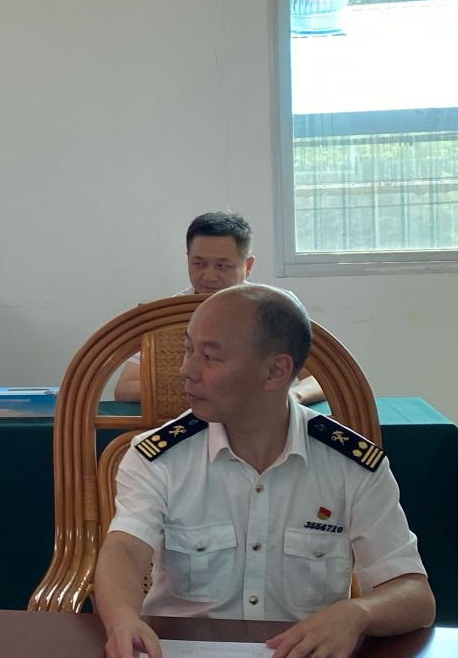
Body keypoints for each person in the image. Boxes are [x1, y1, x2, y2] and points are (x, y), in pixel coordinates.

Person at [95, 285, 433, 658]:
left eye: (209, 357)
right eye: (188, 349)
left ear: (275, 371)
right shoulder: (158, 457)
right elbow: (124, 551)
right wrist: (123, 620)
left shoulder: (350, 465)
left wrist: (358, 613)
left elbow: (415, 594)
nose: (186, 370)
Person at [113, 212, 324, 405]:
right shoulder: (166, 315)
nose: (209, 276)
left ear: (248, 266)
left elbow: (320, 379)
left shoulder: (277, 310)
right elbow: (125, 387)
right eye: (198, 264)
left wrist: (292, 397)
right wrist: (201, 388)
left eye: (222, 266)